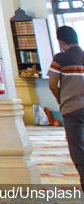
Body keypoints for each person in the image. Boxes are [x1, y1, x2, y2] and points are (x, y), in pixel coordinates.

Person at [50, 24, 84, 186]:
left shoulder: (60, 58)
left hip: (72, 108)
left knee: (78, 149)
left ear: (61, 41)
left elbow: (52, 84)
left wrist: (60, 98)